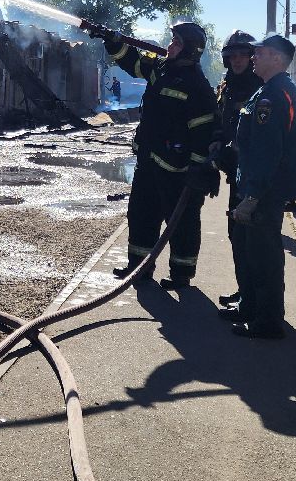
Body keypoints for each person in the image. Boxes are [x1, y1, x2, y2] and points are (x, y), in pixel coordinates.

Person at [91, 21, 218, 289]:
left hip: (178, 169)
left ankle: (181, 275)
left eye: (176, 43)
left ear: (189, 51)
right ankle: (139, 268)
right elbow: (134, 62)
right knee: (140, 214)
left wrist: (198, 169)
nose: (170, 46)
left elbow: (204, 132)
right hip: (149, 159)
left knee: (181, 223)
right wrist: (112, 41)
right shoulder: (161, 69)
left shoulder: (198, 86)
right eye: (171, 41)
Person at [220, 35, 296, 339]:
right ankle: (250, 307)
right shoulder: (269, 89)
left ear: (276, 58)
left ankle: (267, 322)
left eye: (259, 52)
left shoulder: (274, 95)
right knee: (249, 250)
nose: (252, 56)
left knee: (263, 257)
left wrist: (253, 196)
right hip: (254, 185)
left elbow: (268, 151)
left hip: (263, 191)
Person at [213, 30, 260, 310]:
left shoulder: (258, 86)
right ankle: (245, 291)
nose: (238, 59)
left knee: (249, 238)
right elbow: (223, 121)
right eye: (233, 55)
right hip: (236, 174)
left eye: (244, 54)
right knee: (236, 235)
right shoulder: (227, 86)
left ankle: (251, 298)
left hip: (252, 176)